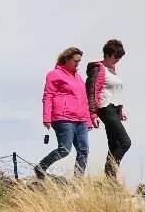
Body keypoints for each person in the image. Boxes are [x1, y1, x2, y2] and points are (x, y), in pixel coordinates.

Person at [34, 46, 96, 178]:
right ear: (67, 59)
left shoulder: (79, 78)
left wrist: (88, 120)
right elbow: (48, 96)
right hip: (63, 118)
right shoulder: (54, 75)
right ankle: (41, 167)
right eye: (75, 61)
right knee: (65, 150)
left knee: (83, 150)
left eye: (79, 61)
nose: (77, 64)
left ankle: (78, 181)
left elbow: (84, 100)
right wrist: (46, 117)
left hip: (81, 120)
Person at [86, 39, 130, 180]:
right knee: (125, 142)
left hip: (115, 110)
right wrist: (93, 114)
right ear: (108, 54)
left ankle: (110, 180)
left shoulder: (112, 70)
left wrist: (120, 110)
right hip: (106, 109)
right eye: (116, 56)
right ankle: (109, 174)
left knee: (114, 144)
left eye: (120, 57)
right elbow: (90, 92)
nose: (118, 59)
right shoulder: (98, 69)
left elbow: (114, 92)